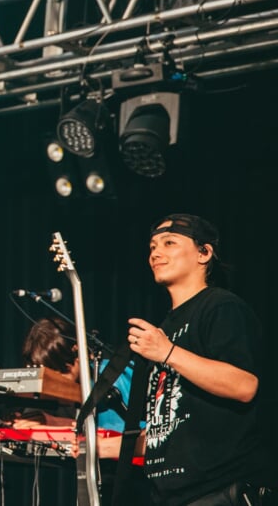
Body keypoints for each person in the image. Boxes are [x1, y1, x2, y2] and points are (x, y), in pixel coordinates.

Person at [98, 214, 273, 506]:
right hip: (171, 497)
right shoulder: (164, 330)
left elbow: (244, 386)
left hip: (219, 491)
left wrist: (167, 352)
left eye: (169, 243)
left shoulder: (221, 306)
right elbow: (167, 429)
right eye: (152, 246)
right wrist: (100, 446)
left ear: (204, 253)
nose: (156, 253)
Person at [14, 316, 132, 433]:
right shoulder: (51, 391)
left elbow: (124, 433)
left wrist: (54, 423)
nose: (55, 381)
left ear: (77, 354)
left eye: (61, 372)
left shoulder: (120, 375)